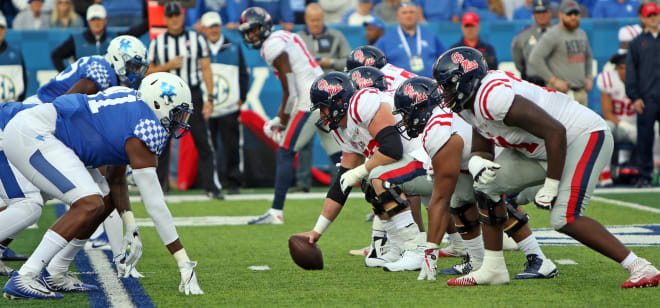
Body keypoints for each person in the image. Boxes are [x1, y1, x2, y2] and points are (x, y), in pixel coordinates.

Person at [433, 46, 660, 288]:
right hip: (541, 150)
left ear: (467, 79)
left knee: (564, 217)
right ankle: (493, 268)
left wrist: (551, 185)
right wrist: (478, 160)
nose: (443, 92)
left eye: (448, 85)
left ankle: (640, 266)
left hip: (582, 137)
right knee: (486, 186)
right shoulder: (469, 103)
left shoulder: (492, 96)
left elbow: (555, 131)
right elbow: (483, 143)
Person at [2, 73, 204, 299]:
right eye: (178, 113)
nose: (181, 121)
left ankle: (56, 272)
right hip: (37, 133)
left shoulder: (130, 105)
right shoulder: (147, 128)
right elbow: (155, 205)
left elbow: (116, 180)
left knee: (102, 202)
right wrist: (183, 261)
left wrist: (130, 225)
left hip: (44, 134)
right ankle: (26, 276)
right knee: (88, 203)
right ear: (158, 103)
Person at [393, 76, 557, 281]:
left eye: (406, 114)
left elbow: (440, 197)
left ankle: (539, 259)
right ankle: (478, 260)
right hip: (486, 163)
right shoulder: (440, 120)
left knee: (489, 194)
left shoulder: (438, 128)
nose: (404, 120)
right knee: (459, 199)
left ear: (420, 108)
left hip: (511, 161)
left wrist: (430, 250)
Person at [296, 72, 429, 272]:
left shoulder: (361, 104)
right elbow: (341, 185)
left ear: (339, 100)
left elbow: (393, 148)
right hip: (413, 163)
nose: (322, 114)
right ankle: (397, 248)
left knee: (380, 178)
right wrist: (317, 231)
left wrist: (361, 171)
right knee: (370, 184)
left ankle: (415, 250)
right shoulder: (342, 129)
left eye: (323, 107)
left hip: (429, 155)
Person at [239, 7, 341, 224]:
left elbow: (292, 90)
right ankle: (381, 202)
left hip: (310, 101)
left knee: (285, 153)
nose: (253, 35)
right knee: (340, 158)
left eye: (256, 29)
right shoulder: (286, 35)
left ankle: (276, 211)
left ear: (265, 26)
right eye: (249, 31)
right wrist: (282, 118)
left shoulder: (272, 45)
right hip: (324, 97)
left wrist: (281, 120)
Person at [147, 1, 223, 199]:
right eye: (170, 16)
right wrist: (168, 66)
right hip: (167, 98)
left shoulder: (196, 39)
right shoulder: (158, 42)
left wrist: (210, 98)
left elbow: (206, 68)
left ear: (182, 17)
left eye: (177, 16)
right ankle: (160, 187)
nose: (174, 20)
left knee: (202, 141)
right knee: (163, 143)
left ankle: (211, 186)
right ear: (165, 19)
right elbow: (148, 71)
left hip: (192, 94)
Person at [200, 11, 247, 195]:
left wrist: (242, 95)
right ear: (203, 29)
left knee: (232, 146)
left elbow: (243, 73)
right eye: (210, 26)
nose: (214, 30)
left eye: (216, 26)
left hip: (229, 106)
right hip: (206, 107)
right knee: (208, 148)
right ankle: (211, 183)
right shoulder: (197, 47)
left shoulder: (233, 46)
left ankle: (234, 182)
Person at [529, 0, 593, 106]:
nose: (573, 17)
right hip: (561, 94)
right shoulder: (553, 34)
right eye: (569, 14)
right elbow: (535, 58)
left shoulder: (581, 33)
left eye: (576, 13)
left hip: (581, 92)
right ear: (560, 15)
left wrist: (589, 77)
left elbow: (588, 56)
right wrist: (553, 80)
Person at [625, 2, 660, 187]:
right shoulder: (637, 43)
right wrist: (634, 96)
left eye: (655, 14)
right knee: (645, 139)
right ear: (642, 18)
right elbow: (631, 72)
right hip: (646, 99)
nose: (653, 18)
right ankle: (644, 176)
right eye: (650, 15)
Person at [374, 1, 445, 78]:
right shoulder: (386, 39)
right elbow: (375, 61)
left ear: (417, 15)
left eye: (411, 12)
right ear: (398, 16)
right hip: (399, 87)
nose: (408, 15)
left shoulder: (430, 35)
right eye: (404, 13)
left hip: (430, 84)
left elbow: (444, 58)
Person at [596, 52, 636, 186]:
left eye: (629, 67)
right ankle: (605, 172)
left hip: (637, 124)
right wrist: (624, 125)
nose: (626, 71)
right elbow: (607, 113)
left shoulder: (642, 78)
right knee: (606, 128)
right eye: (623, 68)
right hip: (618, 125)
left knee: (654, 128)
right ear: (617, 68)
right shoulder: (609, 80)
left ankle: (654, 170)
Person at [50, 4, 113, 72]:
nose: (96, 22)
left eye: (99, 19)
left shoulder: (114, 38)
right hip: (84, 80)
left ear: (105, 20)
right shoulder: (77, 39)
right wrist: (68, 76)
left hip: (110, 81)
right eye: (93, 19)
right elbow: (56, 55)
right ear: (88, 21)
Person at [512, 0, 553, 86]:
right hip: (533, 83)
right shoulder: (523, 35)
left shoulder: (559, 33)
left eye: (544, 12)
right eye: (538, 12)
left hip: (556, 84)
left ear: (550, 12)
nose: (541, 15)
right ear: (533, 14)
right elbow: (518, 61)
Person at [0, 14, 26, 103]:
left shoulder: (15, 53)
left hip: (10, 106)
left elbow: (23, 80)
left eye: (1, 28)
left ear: (5, 30)